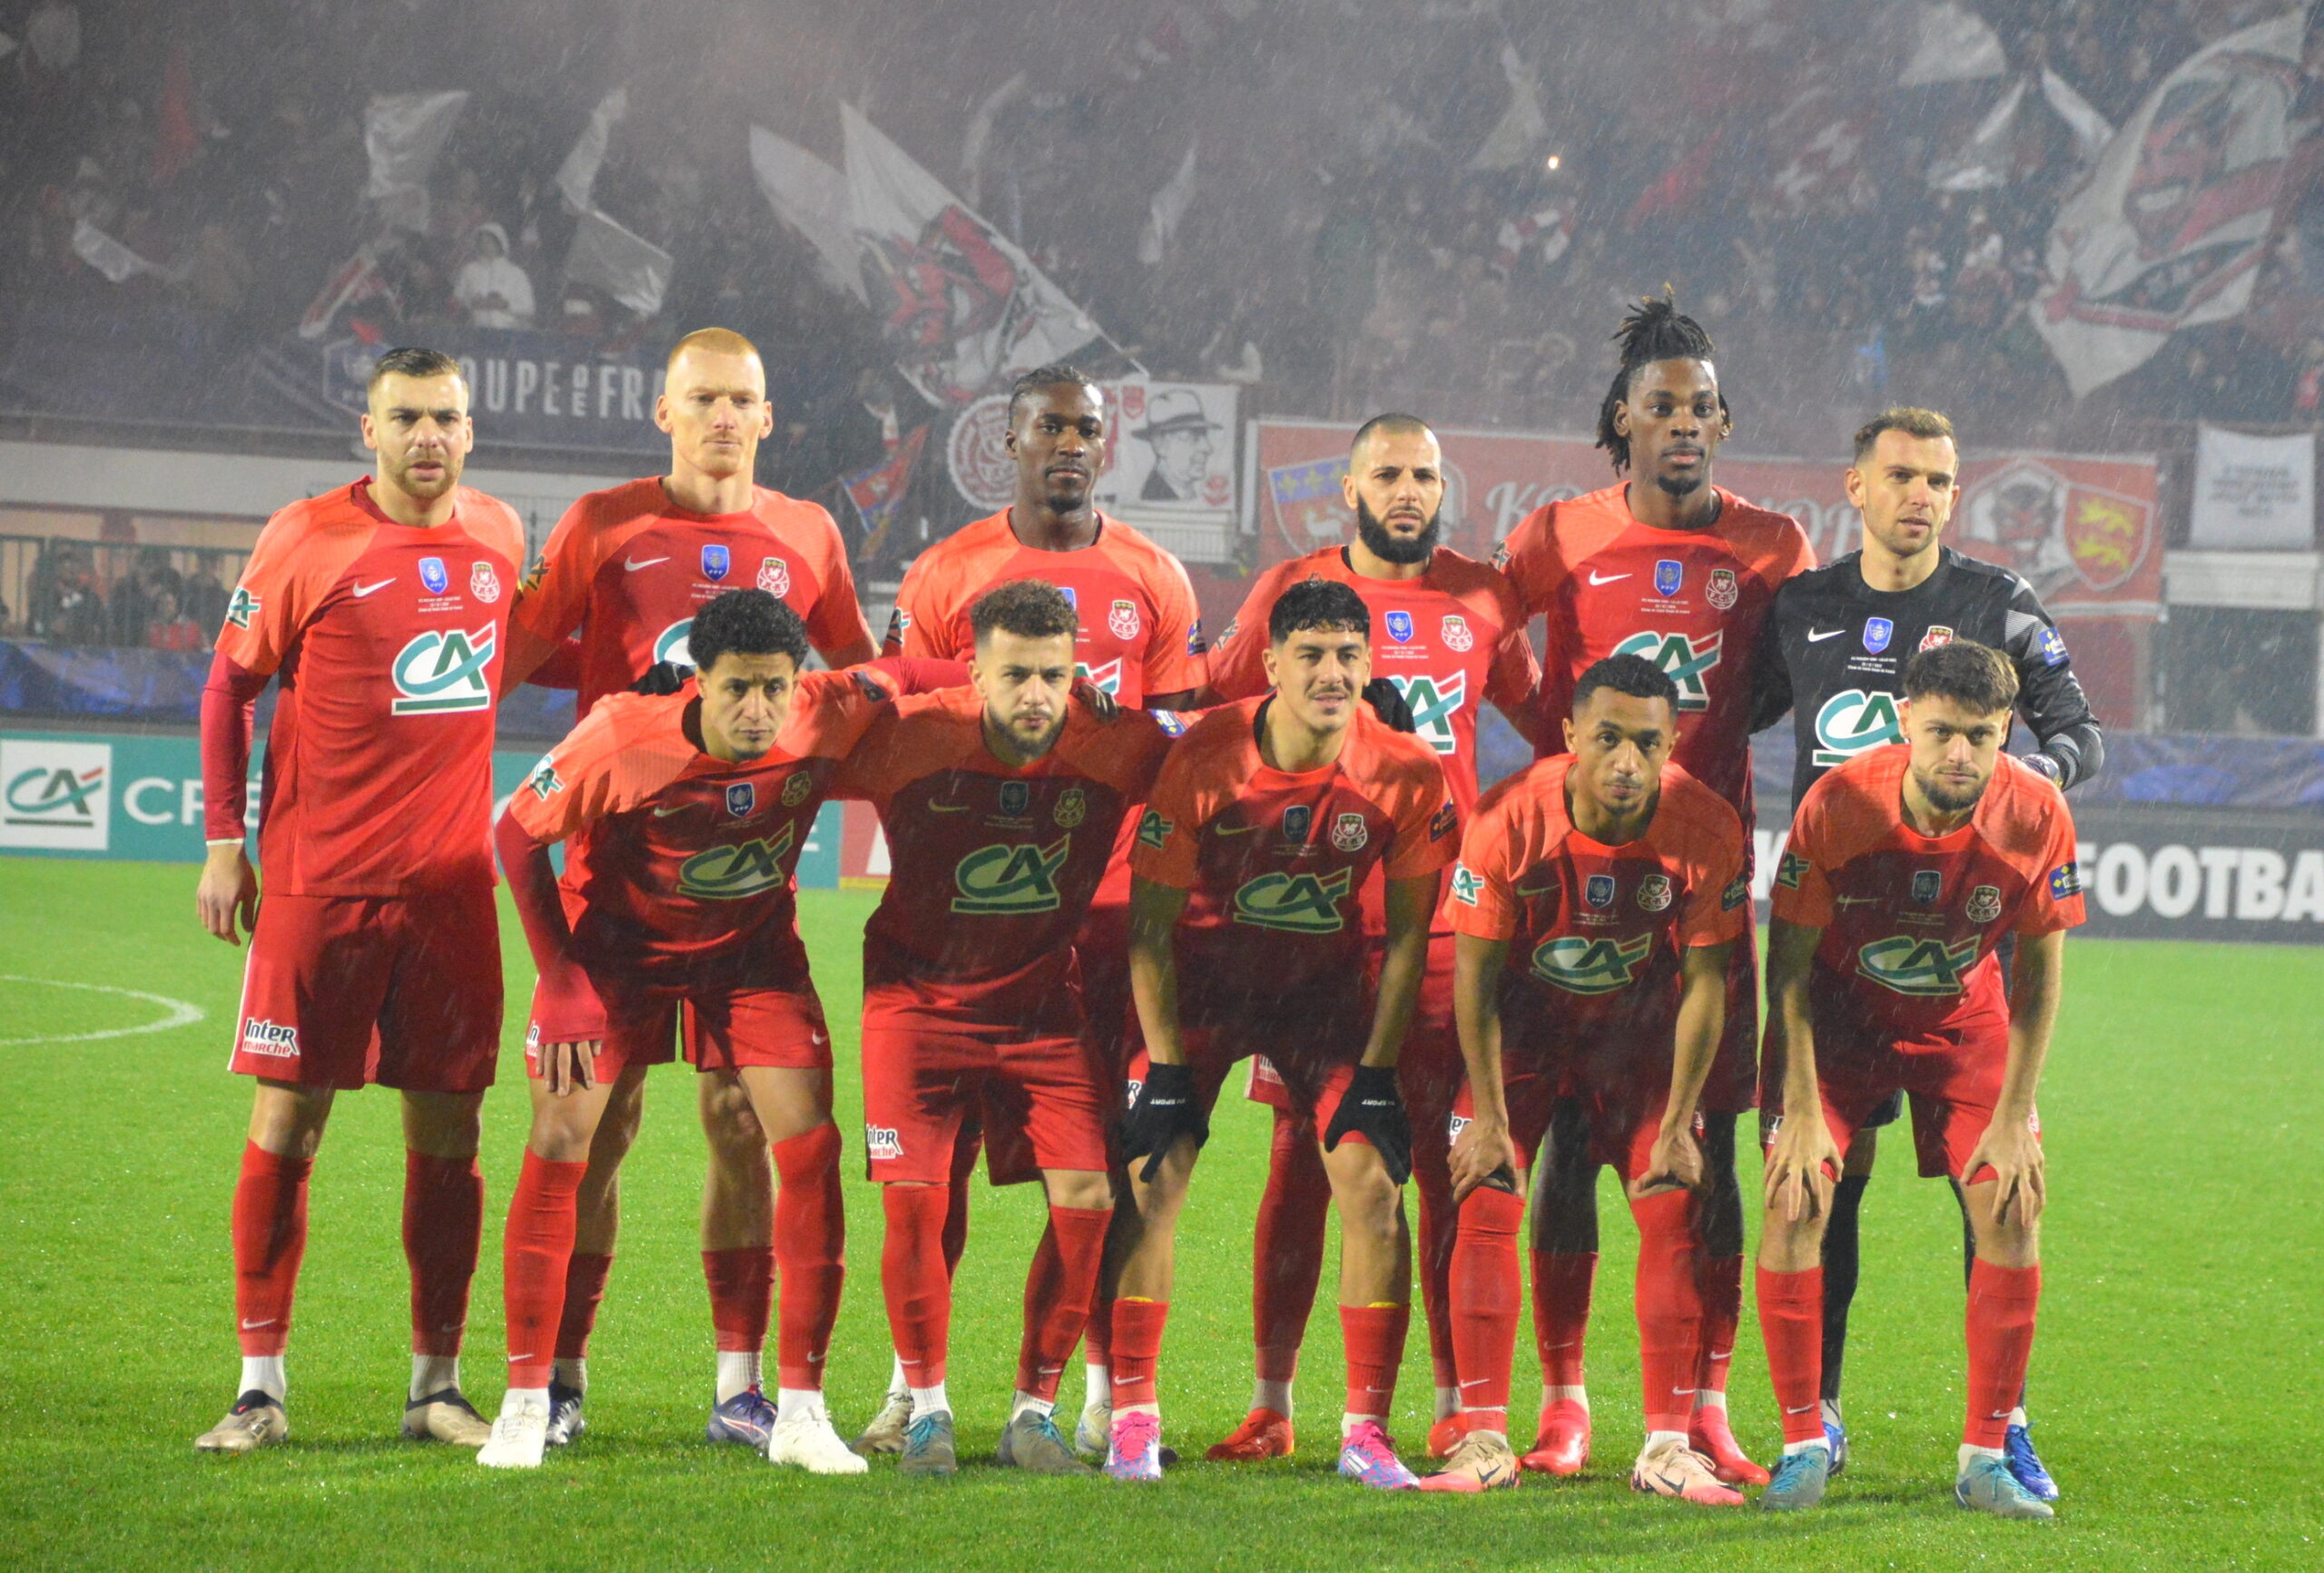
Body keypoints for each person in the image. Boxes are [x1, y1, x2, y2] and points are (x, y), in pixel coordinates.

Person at [501, 326, 878, 1455]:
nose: (722, 416)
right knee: (601, 1121)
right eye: (701, 397)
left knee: (739, 1119)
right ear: (663, 412)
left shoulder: (808, 534)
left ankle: (741, 1387)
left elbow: (855, 674)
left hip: (744, 883)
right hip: (613, 878)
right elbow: (515, 656)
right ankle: (559, 1377)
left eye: (740, 399)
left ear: (767, 416)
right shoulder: (602, 524)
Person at [478, 590, 950, 1471]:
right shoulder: (623, 733)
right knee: (568, 1137)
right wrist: (563, 981)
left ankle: (783, 1406)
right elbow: (514, 834)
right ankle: (532, 1396)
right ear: (698, 678)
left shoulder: (827, 708)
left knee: (805, 1144)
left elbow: (910, 672)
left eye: (774, 687)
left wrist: (1012, 677)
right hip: (616, 952)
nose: (757, 709)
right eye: (736, 688)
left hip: (750, 958)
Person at [1749, 406, 2102, 1495]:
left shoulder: (2000, 603)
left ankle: (2003, 1423)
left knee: (1995, 1187)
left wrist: (2015, 788)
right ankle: (1818, 1413)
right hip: (1838, 944)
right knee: (1825, 1187)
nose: (1920, 495)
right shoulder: (1801, 605)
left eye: (1940, 480)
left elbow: (2078, 732)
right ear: (1853, 486)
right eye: (1900, 474)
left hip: (1955, 948)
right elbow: (1726, 721)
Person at [1494, 292, 1812, 1482]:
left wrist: (1711, 754)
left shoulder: (1775, 547)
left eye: (1700, 406)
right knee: (1573, 1140)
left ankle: (1707, 1404)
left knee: (1712, 1148)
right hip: (1574, 885)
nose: (1681, 421)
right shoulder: (1559, 533)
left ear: (1723, 423)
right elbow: (1478, 632)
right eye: (1660, 404)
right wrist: (1546, 728)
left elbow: (1785, 678)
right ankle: (1565, 1401)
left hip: (1701, 887)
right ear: (1621, 419)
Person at [190, 347, 525, 1452]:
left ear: (469, 431)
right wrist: (225, 843)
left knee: (452, 1128)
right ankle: (259, 1388)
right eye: (407, 417)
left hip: (450, 892)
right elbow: (229, 686)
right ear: (368, 430)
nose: (429, 436)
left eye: (446, 418)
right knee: (290, 1120)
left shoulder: (499, 533)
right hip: (321, 883)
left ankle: (436, 1387)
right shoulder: (306, 535)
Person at [867, 362, 1204, 1456]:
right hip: (972, 916)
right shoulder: (947, 570)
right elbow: (904, 720)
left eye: (1086, 429)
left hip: (1107, 918)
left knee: (1109, 1160)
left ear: (1107, 445)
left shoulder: (1154, 576)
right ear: (1007, 441)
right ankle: (909, 1384)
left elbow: (1176, 739)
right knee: (942, 1155)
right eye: (1048, 427)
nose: (1069, 443)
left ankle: (1100, 1389)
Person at [1202, 413, 1541, 1461]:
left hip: (1438, 922)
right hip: (1314, 924)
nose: (1406, 490)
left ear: (1444, 487)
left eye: (1423, 474)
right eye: (1387, 472)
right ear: (1347, 487)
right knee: (1299, 1159)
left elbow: (1549, 724)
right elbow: (1214, 702)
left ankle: (1447, 1399)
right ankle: (1271, 1401)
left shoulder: (1482, 597)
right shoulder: (1294, 585)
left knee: (1439, 1157)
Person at [1107, 578, 1454, 1490]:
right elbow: (1147, 929)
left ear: (1369, 664)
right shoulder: (1204, 756)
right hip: (1204, 986)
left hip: (1321, 998)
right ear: (1270, 664)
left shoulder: (1409, 770)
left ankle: (1365, 1431)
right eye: (1311, 655)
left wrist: (1376, 1071)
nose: (1331, 672)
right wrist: (1167, 1069)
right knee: (1152, 1171)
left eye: (1348, 655)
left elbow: (1409, 937)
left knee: (1373, 1185)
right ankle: (1133, 1420)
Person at [832, 579, 1175, 1479]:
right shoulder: (909, 736)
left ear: (1077, 674)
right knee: (916, 1199)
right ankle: (926, 1410)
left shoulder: (1113, 740)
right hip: (915, 1005)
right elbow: (786, 754)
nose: (1035, 694)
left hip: (1039, 1007)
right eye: (1014, 674)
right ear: (974, 674)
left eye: (1053, 675)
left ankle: (1033, 1411)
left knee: (1089, 1197)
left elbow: (1225, 740)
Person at [1431, 654, 1748, 1501]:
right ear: (1570, 733)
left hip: (1635, 1041)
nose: (1626, 761)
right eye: (1607, 738)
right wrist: (1488, 1115)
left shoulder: (1707, 825)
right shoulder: (1506, 818)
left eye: (1647, 743)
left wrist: (1679, 1120)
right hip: (1523, 1035)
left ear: (1672, 743)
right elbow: (1474, 979)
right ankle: (1483, 1439)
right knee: (1486, 1188)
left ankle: (1667, 1448)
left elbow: (1707, 984)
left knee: (1673, 1195)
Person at [1134, 388, 1222, 503]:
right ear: (1160, 445)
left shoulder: (1186, 493)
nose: (1208, 448)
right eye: (1193, 438)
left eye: (1204, 436)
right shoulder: (1154, 495)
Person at [452, 223, 535, 329]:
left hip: (509, 333)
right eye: (481, 241)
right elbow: (457, 301)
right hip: (476, 332)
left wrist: (504, 305)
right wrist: (473, 302)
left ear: (500, 243)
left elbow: (528, 308)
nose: (485, 245)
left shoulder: (516, 273)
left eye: (489, 241)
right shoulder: (469, 270)